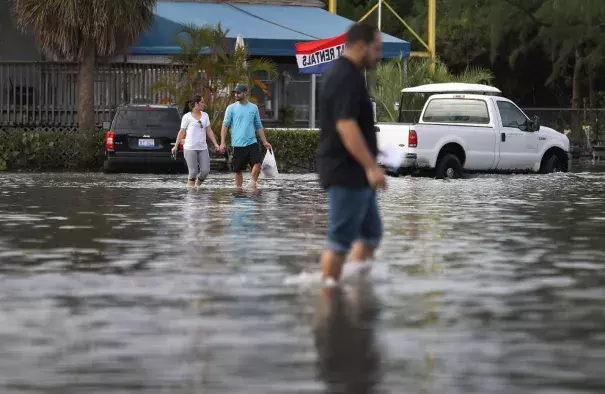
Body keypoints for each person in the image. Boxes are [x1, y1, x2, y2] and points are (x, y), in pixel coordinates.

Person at [316, 22, 386, 283]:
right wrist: (371, 166)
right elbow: (346, 126)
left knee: (370, 235)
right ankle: (328, 297)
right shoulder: (345, 76)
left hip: (357, 173)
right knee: (339, 240)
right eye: (376, 49)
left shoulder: (352, 74)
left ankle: (355, 290)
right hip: (345, 171)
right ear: (360, 45)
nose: (379, 55)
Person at [219, 84, 272, 189]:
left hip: (252, 142)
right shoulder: (231, 108)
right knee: (238, 170)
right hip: (238, 144)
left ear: (245, 93)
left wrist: (264, 141)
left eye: (239, 92)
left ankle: (252, 184)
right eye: (236, 93)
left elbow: (258, 125)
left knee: (257, 163)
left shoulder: (253, 107)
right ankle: (239, 190)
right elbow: (225, 126)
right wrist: (222, 142)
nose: (236, 95)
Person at [172, 95, 220, 188]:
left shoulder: (205, 115)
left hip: (203, 148)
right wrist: (176, 146)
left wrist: (215, 143)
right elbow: (181, 132)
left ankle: (196, 187)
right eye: (202, 102)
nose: (204, 104)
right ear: (196, 104)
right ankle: (190, 196)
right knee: (193, 172)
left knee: (205, 171)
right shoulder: (187, 117)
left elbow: (209, 130)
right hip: (190, 148)